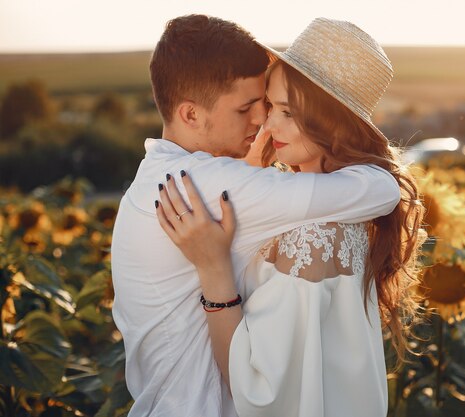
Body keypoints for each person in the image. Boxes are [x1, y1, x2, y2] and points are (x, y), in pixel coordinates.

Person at [111, 15, 402, 417]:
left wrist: (247, 172)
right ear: (191, 115)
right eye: (249, 107)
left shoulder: (153, 179)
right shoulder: (216, 188)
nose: (261, 121)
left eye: (269, 105)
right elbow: (380, 189)